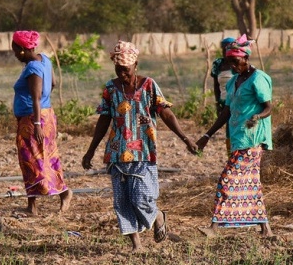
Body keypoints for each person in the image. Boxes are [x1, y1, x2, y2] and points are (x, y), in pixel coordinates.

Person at [81, 40, 198, 252]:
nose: (122, 74)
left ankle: (158, 216)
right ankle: (137, 245)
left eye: (125, 70)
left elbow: (165, 113)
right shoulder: (110, 88)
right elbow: (103, 120)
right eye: (118, 69)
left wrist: (185, 138)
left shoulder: (149, 86)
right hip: (117, 153)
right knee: (122, 201)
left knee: (141, 198)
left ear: (136, 65)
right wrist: (90, 151)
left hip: (143, 151)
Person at [196, 34, 274, 238]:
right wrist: (207, 135)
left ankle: (214, 227)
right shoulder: (234, 82)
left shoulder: (258, 79)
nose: (232, 65)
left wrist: (257, 116)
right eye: (230, 61)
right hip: (238, 137)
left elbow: (268, 107)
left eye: (236, 61)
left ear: (246, 58)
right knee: (251, 183)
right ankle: (265, 229)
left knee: (227, 179)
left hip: (253, 138)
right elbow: (226, 111)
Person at [11, 30, 72, 216]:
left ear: (21, 49)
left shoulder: (33, 68)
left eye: (14, 49)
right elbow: (52, 83)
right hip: (44, 116)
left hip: (34, 120)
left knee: (32, 160)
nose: (14, 53)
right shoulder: (44, 59)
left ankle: (63, 192)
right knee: (45, 158)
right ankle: (34, 204)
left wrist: (37, 123)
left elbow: (36, 97)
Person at [210, 37, 237, 157]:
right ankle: (231, 157)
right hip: (223, 102)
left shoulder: (237, 64)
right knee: (228, 131)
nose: (225, 51)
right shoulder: (218, 64)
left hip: (236, 102)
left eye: (227, 48)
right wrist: (217, 103)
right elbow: (216, 85)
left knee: (236, 129)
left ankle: (237, 157)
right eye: (223, 48)